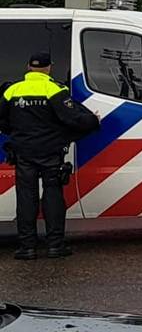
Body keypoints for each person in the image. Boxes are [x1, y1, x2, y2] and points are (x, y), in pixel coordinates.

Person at [0, 52, 99, 259]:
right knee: (53, 196)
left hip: (24, 153)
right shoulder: (54, 90)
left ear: (28, 67)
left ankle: (27, 247)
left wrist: (17, 135)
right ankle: (55, 245)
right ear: (48, 68)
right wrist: (93, 120)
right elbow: (73, 118)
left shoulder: (12, 91)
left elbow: (2, 120)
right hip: (50, 153)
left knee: (26, 198)